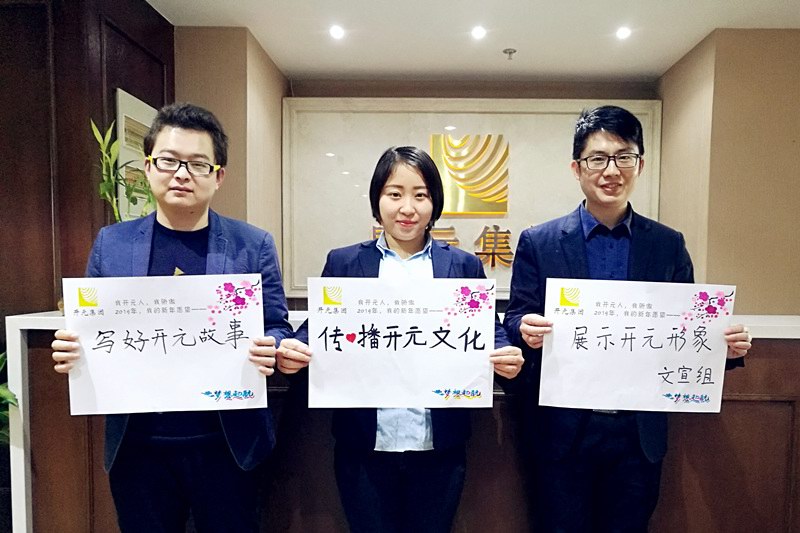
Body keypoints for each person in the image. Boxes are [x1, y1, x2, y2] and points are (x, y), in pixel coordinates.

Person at [503, 105, 752, 532]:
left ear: (640, 165)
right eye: (597, 159)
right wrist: (524, 328)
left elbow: (687, 329)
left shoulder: (667, 245)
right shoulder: (539, 241)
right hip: (563, 429)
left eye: (624, 157)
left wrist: (721, 349)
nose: (611, 170)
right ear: (577, 168)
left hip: (638, 433)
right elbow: (515, 316)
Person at [51, 102, 292, 532]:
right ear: (148, 167)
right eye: (169, 161)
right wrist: (73, 347)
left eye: (198, 164)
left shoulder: (251, 245)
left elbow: (276, 324)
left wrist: (271, 346)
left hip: (228, 445)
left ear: (218, 176)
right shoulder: (112, 244)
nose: (182, 174)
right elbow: (90, 329)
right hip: (139, 448)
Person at [276, 146, 524, 533]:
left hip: (438, 445)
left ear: (434, 202)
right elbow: (318, 330)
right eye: (395, 194)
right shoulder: (345, 263)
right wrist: (294, 350)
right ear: (377, 200)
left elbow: (487, 330)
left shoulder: (461, 266)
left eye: (420, 195)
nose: (407, 207)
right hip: (364, 444)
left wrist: (507, 352)